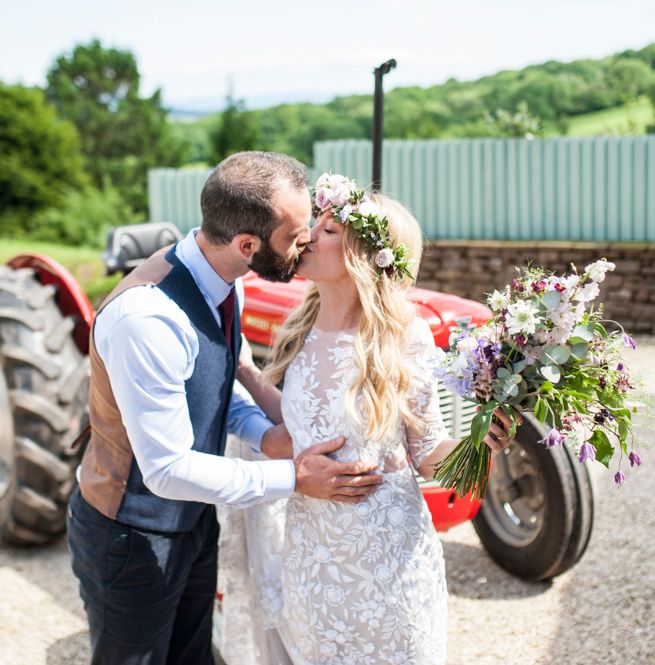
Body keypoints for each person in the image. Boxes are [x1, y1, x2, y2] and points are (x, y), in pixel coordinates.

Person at [66, 153, 383, 665]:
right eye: (297, 234)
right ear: (248, 244)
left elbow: (213, 391)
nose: (305, 243)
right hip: (131, 534)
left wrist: (263, 434)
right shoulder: (147, 320)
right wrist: (294, 477)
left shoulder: (223, 277)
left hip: (194, 522)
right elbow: (166, 469)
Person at [226, 174, 513, 665]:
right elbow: (300, 426)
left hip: (386, 563)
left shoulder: (404, 338)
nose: (308, 236)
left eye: (329, 230)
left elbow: (427, 454)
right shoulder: (299, 328)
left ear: (364, 255)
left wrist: (481, 446)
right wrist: (249, 374)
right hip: (312, 562)